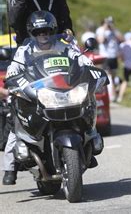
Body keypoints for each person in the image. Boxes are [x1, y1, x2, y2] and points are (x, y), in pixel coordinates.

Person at [2, 11, 94, 185]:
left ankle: (90, 138)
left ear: (53, 31)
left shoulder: (64, 45)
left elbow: (80, 59)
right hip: (38, 93)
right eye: (38, 32)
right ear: (32, 33)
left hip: (62, 91)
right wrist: (14, 79)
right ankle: (9, 167)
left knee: (87, 104)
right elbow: (13, 69)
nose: (43, 35)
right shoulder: (25, 50)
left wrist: (90, 68)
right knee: (16, 122)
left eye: (46, 31)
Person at [96, 16, 123, 102]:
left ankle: (113, 94)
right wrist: (104, 29)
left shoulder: (113, 31)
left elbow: (121, 39)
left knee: (114, 75)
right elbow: (101, 40)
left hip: (113, 56)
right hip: (105, 56)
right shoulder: (100, 30)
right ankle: (109, 95)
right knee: (108, 76)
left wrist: (113, 29)